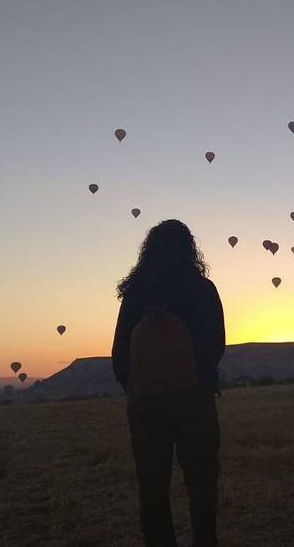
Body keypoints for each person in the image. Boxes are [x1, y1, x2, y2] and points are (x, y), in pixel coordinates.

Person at [112, 219, 226, 547]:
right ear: (190, 249)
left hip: (146, 404)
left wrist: (136, 387)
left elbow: (120, 353)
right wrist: (196, 380)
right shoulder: (202, 289)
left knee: (152, 489)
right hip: (195, 402)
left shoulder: (135, 294)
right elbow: (215, 344)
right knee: (202, 484)